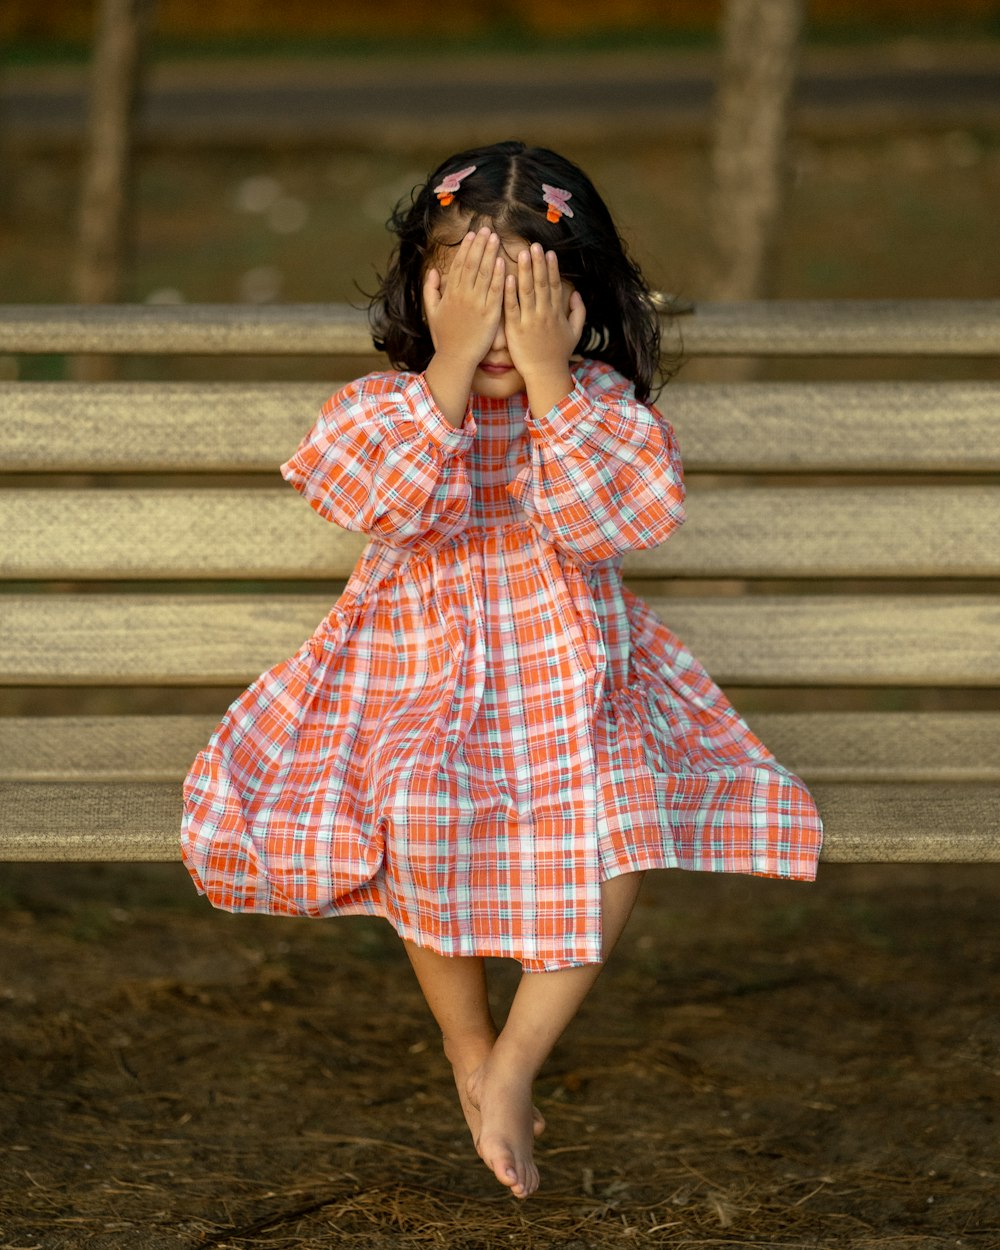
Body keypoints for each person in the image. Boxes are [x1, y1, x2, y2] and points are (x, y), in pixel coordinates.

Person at [180, 139, 823, 1201]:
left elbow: (609, 518)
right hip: (413, 675)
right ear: (426, 289)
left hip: (577, 685)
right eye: (473, 287)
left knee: (619, 807)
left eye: (528, 290)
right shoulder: (390, 406)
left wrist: (549, 378)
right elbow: (381, 498)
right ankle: (467, 1044)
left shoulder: (600, 410)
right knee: (418, 800)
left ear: (578, 301)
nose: (498, 318)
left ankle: (518, 1061)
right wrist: (448, 362)